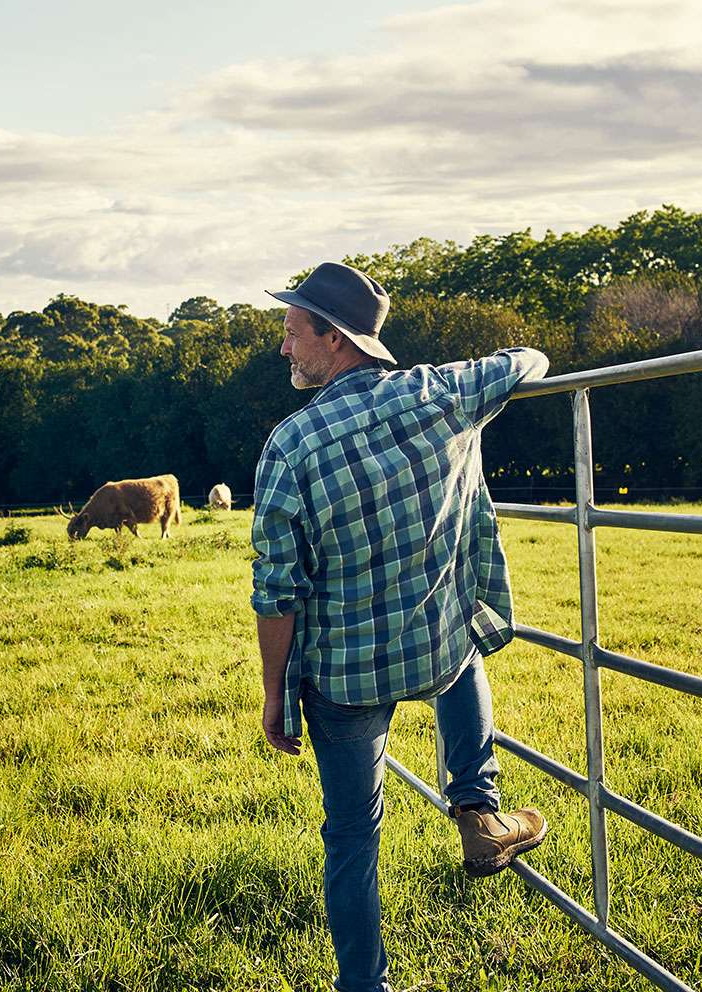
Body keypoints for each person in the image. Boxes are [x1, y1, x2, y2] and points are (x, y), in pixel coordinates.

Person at [251, 261, 550, 992]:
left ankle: (364, 986)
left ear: (338, 338)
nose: (285, 349)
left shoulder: (290, 446)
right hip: (435, 651)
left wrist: (273, 695)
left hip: (345, 680)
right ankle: (479, 810)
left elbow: (275, 593)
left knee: (351, 835)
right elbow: (530, 359)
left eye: (294, 333)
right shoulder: (441, 390)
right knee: (465, 641)